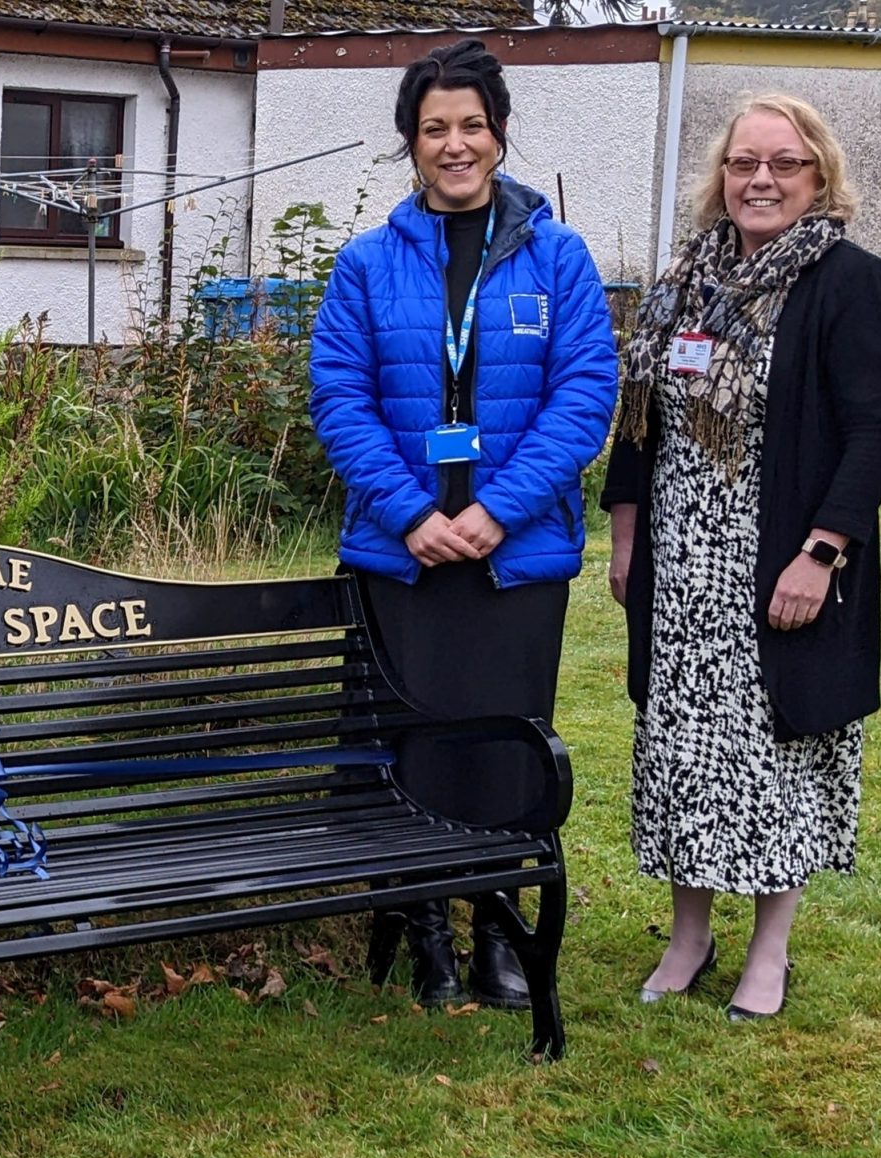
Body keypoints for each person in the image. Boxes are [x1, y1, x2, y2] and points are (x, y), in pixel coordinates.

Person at [309, 38, 618, 1009]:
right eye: (434, 127)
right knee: (416, 745)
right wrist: (411, 514)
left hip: (511, 560)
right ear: (411, 141)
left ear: (500, 133)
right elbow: (339, 400)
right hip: (402, 561)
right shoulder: (366, 265)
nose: (455, 144)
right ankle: (427, 935)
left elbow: (584, 395)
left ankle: (495, 930)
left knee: (502, 747)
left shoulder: (559, 258)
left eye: (472, 125)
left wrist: (495, 512)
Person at [602, 94, 881, 1022]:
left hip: (781, 561)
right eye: (743, 163)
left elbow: (873, 431)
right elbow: (640, 418)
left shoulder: (852, 282)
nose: (760, 180)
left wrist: (822, 552)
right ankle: (688, 936)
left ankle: (769, 950)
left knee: (779, 753)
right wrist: (626, 536)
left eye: (784, 163)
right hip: (682, 565)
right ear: (721, 175)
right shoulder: (686, 281)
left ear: (820, 177)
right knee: (682, 749)